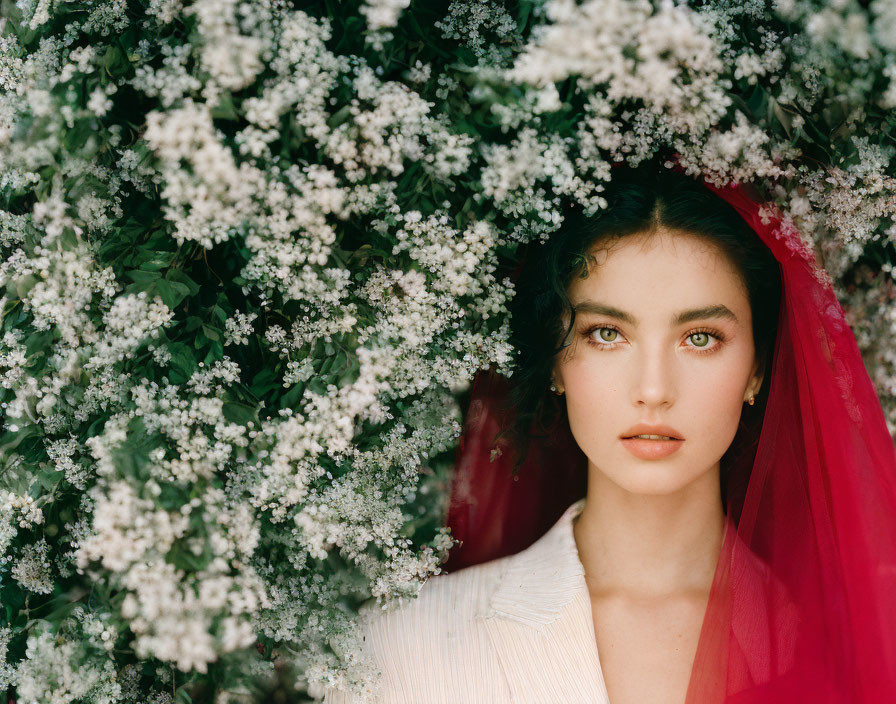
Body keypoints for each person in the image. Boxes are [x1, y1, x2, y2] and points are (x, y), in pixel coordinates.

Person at [322, 158, 896, 703]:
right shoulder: (397, 647)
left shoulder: (844, 647)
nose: (652, 388)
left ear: (756, 371)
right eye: (605, 333)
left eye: (700, 337)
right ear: (555, 360)